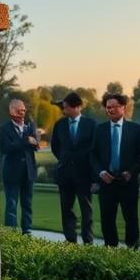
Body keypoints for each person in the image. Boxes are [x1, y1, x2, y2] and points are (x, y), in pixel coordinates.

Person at [91, 93, 140, 249]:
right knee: (107, 219)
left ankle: (132, 250)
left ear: (124, 107)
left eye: (115, 106)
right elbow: (93, 155)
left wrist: (131, 172)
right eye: (108, 107)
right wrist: (101, 172)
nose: (111, 110)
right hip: (107, 182)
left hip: (128, 182)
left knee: (131, 218)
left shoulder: (135, 129)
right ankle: (110, 250)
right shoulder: (100, 130)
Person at [50, 91, 96, 244]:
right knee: (66, 209)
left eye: (67, 107)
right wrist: (65, 160)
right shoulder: (60, 124)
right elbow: (56, 147)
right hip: (65, 174)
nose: (64, 110)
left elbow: (94, 148)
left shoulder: (90, 124)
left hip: (84, 174)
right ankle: (70, 240)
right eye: (64, 107)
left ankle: (88, 240)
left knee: (86, 210)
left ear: (78, 107)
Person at [0, 99, 38, 235]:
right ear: (12, 111)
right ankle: (11, 232)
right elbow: (6, 148)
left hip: (28, 171)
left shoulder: (30, 126)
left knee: (27, 203)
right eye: (19, 110)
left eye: (24, 110)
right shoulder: (3, 129)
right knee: (11, 204)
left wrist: (33, 141)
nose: (22, 113)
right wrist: (25, 141)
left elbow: (36, 146)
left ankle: (27, 230)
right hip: (11, 172)